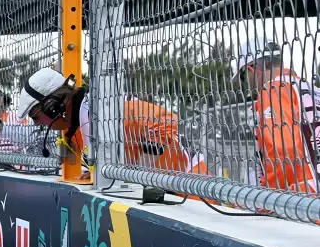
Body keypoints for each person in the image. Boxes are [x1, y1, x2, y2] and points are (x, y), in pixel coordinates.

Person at [17, 67, 209, 177]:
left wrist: (138, 171)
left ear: (53, 105)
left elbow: (167, 123)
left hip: (190, 187)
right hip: (161, 195)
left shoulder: (109, 110)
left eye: (35, 116)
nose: (36, 124)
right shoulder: (72, 130)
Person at [231, 37, 320, 193]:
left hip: (306, 197)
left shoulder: (274, 90)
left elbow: (282, 151)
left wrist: (269, 198)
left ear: (251, 69)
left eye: (243, 77)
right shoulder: (311, 89)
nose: (246, 85)